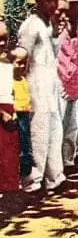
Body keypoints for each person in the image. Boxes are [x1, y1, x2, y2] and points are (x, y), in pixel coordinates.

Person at [18, 0, 66, 192]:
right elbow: (23, 58)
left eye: (55, 0)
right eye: (48, 0)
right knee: (38, 132)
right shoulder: (30, 25)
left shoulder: (47, 25)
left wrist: (56, 33)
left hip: (50, 82)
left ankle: (54, 177)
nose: (53, 5)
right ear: (38, 1)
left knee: (55, 130)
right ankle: (33, 182)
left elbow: (52, 55)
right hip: (35, 83)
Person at [57, 0, 78, 170]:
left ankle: (68, 161)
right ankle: (56, 166)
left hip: (74, 83)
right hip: (60, 81)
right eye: (74, 6)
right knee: (58, 125)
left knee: (72, 125)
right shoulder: (59, 28)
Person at [0, 22, 19, 192]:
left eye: (4, 39)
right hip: (1, 112)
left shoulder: (8, 63)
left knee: (10, 155)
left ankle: (10, 191)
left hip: (10, 110)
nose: (1, 43)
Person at [11, 47, 32, 180]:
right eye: (19, 63)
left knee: (25, 149)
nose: (22, 66)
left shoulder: (24, 80)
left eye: (25, 62)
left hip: (24, 116)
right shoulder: (9, 80)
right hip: (14, 117)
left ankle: (23, 180)